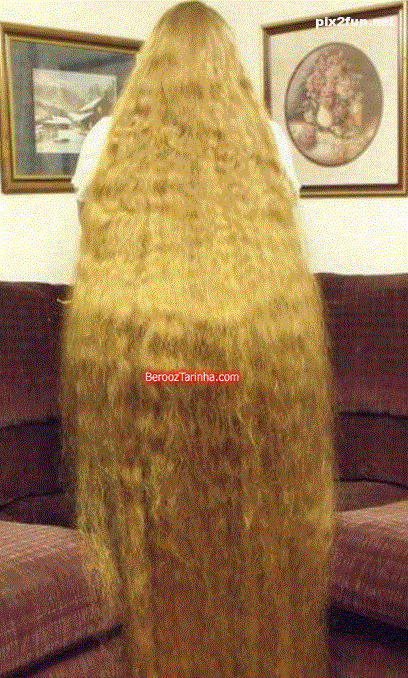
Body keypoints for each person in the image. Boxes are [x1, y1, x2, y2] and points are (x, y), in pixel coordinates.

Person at [61, 3, 334, 678]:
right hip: (245, 371)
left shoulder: (104, 144)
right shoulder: (269, 144)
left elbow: (92, 240)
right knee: (250, 535)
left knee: (155, 537)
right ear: (230, 67)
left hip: (147, 374)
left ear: (148, 65)